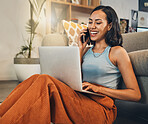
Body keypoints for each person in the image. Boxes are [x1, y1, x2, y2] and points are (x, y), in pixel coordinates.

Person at [0, 5, 141, 124]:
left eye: (98, 23)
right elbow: (74, 78)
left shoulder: (117, 52)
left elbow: (135, 94)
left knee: (45, 81)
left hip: (101, 108)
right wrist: (80, 49)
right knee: (37, 78)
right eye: (90, 22)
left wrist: (99, 89)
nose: (92, 26)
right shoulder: (85, 50)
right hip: (79, 99)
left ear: (109, 26)